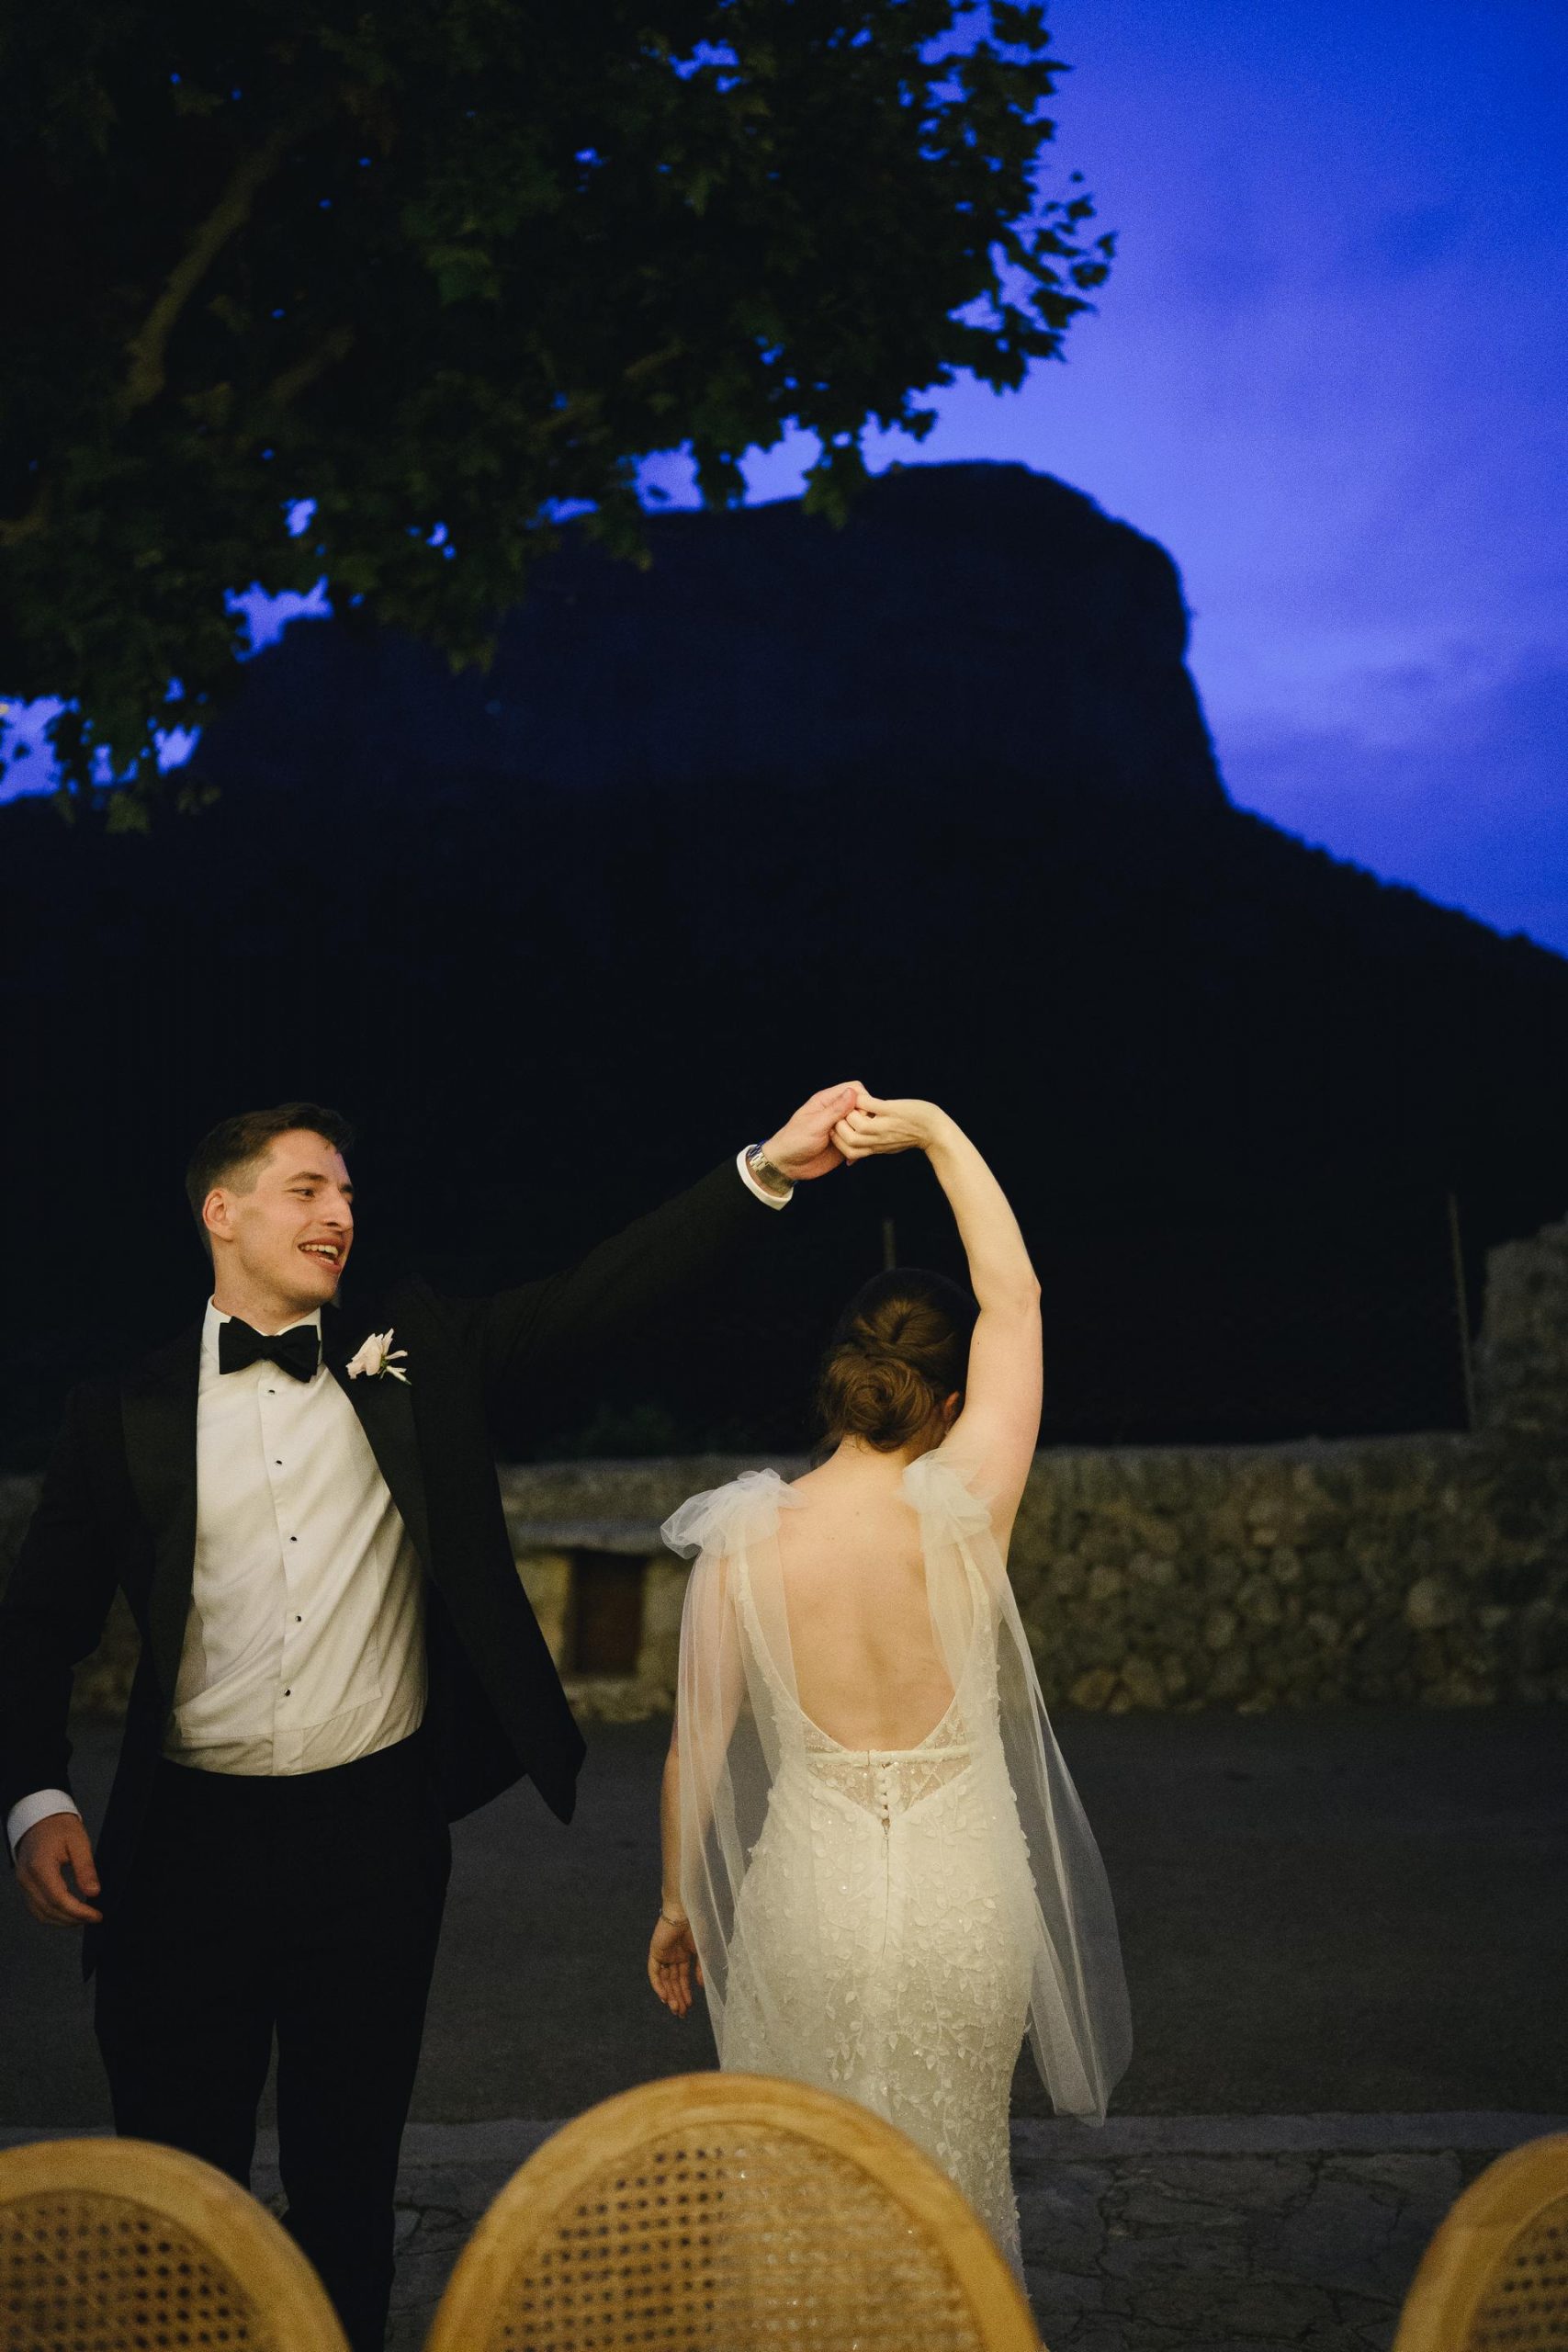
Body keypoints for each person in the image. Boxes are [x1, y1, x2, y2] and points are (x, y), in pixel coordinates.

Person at [0, 1084, 860, 2352]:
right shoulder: (117, 1415)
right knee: (180, 2201)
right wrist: (36, 1798)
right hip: (182, 1853)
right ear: (221, 1214)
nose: (341, 1213)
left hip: (372, 1839)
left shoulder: (416, 1352)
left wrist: (764, 1172)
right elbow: (35, 1624)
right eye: (308, 1190)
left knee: (347, 2191)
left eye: (349, 1192)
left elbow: (596, 1296)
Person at [649, 1091, 1131, 2278]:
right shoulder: (969, 1508)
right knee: (954, 2201)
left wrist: (676, 1907)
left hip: (805, 1907)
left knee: (793, 2213)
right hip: (966, 1899)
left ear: (839, 1385)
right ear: (949, 1401)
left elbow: (693, 1755)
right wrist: (933, 1132)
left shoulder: (743, 1542)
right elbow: (1013, 1297)